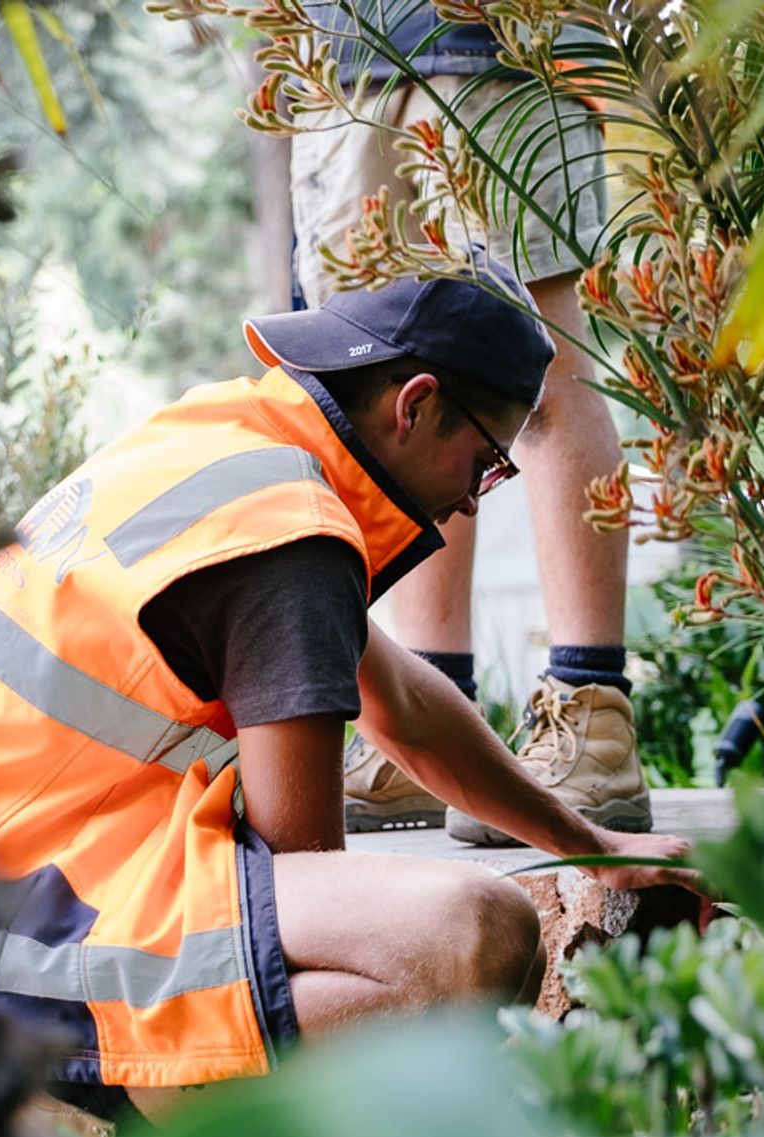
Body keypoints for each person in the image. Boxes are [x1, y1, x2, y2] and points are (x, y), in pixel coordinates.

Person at [0, 257, 693, 1122]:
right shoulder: (292, 539)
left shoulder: (237, 447)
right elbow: (301, 873)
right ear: (415, 404)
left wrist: (586, 841)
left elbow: (404, 707)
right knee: (476, 934)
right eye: (485, 462)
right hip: (12, 937)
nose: (473, 502)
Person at [293, 4, 646, 844]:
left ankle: (592, 716)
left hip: (500, 39)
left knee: (543, 372)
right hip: (344, 56)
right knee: (387, 392)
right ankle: (422, 739)